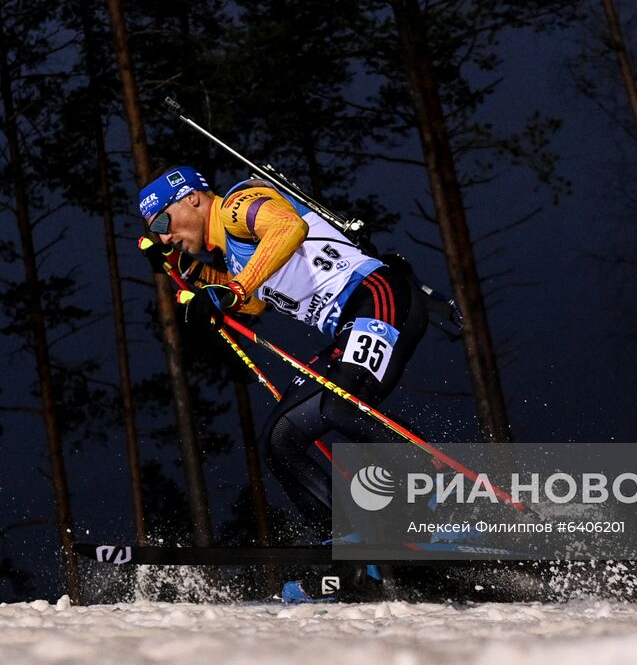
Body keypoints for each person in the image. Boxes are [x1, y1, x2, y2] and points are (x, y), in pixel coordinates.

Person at [137, 165, 428, 535]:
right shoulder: (233, 253)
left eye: (163, 222)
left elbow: (288, 227)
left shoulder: (238, 205)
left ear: (191, 198)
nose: (163, 236)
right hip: (350, 323)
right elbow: (253, 303)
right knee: (279, 440)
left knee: (341, 403)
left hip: (377, 295)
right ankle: (346, 539)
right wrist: (187, 269)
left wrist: (233, 290)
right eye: (156, 232)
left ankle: (437, 494)